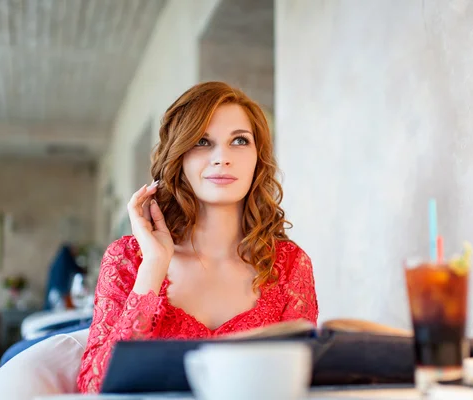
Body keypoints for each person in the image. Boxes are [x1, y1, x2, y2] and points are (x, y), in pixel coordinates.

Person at [77, 82, 319, 393]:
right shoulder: (128, 259)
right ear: (179, 156)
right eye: (203, 142)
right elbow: (93, 388)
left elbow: (302, 385)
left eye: (240, 141)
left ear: (258, 158)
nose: (222, 158)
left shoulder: (289, 265)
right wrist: (153, 265)